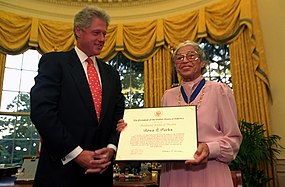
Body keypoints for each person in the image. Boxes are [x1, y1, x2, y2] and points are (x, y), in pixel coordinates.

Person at [117, 41, 242, 187]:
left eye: (191, 56)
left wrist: (210, 148)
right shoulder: (168, 95)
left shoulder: (219, 90)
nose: (185, 60)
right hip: (173, 174)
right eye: (179, 58)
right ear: (175, 65)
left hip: (209, 170)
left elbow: (233, 140)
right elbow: (160, 133)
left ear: (202, 63)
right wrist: (130, 130)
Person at [30, 6, 125, 187]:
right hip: (60, 174)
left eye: (104, 34)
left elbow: (118, 115)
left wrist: (112, 148)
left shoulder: (111, 73)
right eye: (96, 33)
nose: (102, 39)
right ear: (78, 31)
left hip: (101, 174)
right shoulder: (54, 62)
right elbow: (42, 113)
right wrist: (76, 154)